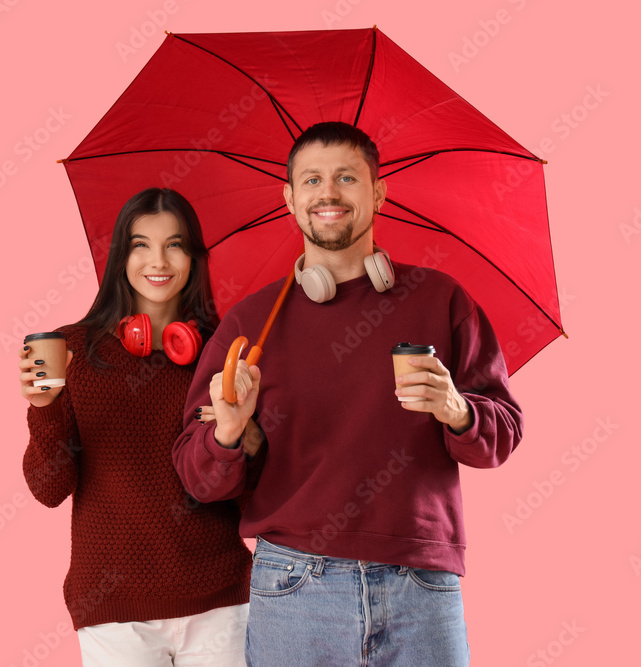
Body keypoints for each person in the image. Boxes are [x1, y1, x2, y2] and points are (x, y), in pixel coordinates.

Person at [172, 122, 524, 666]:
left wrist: (456, 410)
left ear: (377, 191)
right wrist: (228, 431)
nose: (328, 193)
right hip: (293, 585)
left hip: (421, 584)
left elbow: (500, 437)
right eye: (311, 180)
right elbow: (198, 478)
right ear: (290, 198)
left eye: (346, 178)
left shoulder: (442, 300)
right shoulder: (251, 322)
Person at [19, 187, 255, 667]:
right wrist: (45, 407)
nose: (158, 259)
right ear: (120, 257)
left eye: (175, 244)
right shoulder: (70, 351)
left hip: (223, 602)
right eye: (140, 244)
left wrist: (244, 438)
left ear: (193, 258)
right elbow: (48, 489)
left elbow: (252, 496)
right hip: (113, 609)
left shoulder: (223, 358)